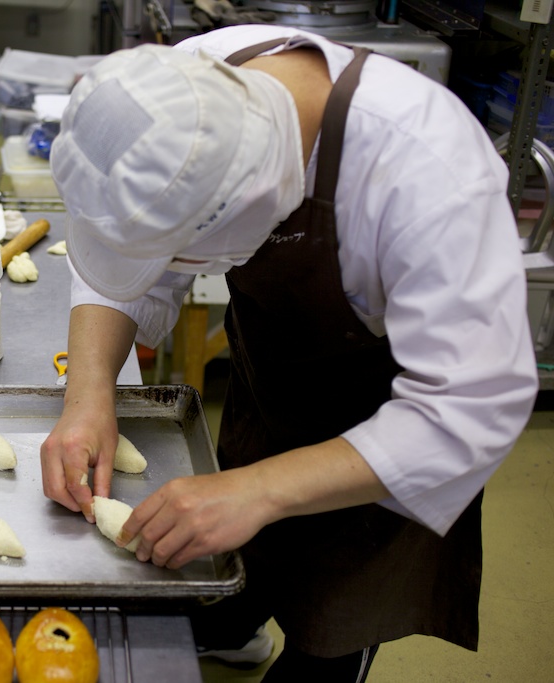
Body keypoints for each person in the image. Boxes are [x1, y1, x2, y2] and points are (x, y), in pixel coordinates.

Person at [39, 24, 539, 681]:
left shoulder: (430, 179)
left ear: (256, 211)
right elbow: (133, 252)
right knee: (237, 557)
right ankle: (233, 628)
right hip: (271, 387)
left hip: (385, 444)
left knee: (329, 631)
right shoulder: (180, 97)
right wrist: (90, 394)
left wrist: (259, 490)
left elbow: (469, 407)